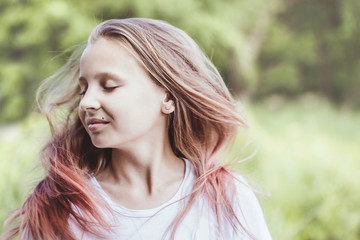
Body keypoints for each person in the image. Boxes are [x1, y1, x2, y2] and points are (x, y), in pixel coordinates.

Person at [2, 18, 271, 240]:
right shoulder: (60, 208)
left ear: (167, 97)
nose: (87, 102)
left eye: (108, 85)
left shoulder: (226, 197)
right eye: (84, 89)